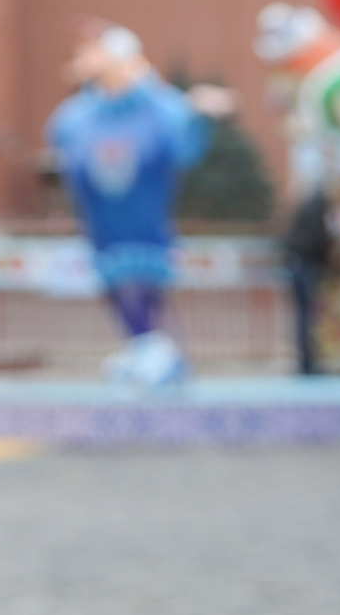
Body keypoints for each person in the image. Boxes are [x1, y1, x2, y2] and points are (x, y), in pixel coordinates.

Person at [46, 25, 234, 386]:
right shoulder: (77, 114)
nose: (84, 60)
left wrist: (202, 116)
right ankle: (144, 348)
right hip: (100, 219)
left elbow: (187, 146)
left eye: (93, 52)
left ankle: (155, 349)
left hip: (144, 213)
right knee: (113, 281)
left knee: (143, 279)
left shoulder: (160, 106)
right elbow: (62, 152)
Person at [279, 180, 336, 377]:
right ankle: (308, 362)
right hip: (304, 266)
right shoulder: (318, 209)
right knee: (306, 316)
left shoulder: (308, 207)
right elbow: (319, 239)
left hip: (297, 264)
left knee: (303, 316)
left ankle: (306, 361)